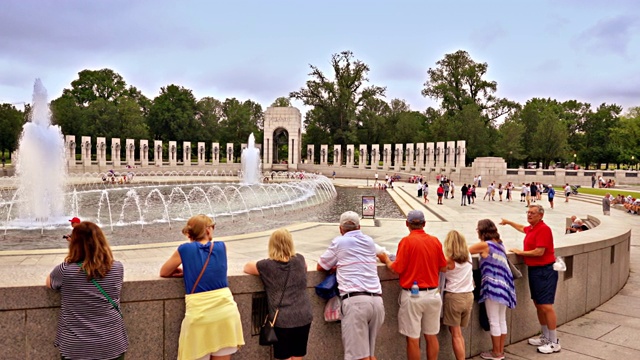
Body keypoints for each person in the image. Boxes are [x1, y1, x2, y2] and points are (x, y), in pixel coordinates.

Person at [160, 214, 244, 360]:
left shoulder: (184, 250)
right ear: (208, 230)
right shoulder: (221, 247)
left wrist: (185, 271)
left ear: (189, 233)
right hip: (226, 314)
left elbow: (164, 271)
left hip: (200, 317)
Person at [46, 221, 128, 360]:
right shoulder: (117, 268)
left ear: (74, 244)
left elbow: (50, 282)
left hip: (76, 347)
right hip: (111, 344)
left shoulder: (65, 270)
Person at [377, 210, 447, 360]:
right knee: (431, 336)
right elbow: (443, 266)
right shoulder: (435, 241)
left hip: (413, 296)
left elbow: (397, 269)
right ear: (424, 224)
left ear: (407, 223)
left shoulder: (406, 242)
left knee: (413, 339)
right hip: (433, 294)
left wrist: (387, 260)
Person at [317, 211, 384, 360]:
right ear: (359, 227)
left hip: (356, 304)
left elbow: (321, 266)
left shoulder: (339, 242)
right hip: (377, 303)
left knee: (358, 357)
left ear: (341, 229)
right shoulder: (369, 241)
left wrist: (338, 265)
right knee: (370, 355)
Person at [244, 229, 313, 360]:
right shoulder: (299, 259)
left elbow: (247, 267)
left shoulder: (267, 265)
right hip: (303, 316)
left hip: (282, 320)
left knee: (284, 357)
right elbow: (305, 268)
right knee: (298, 355)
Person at [501, 205, 561, 354]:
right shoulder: (533, 228)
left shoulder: (544, 229)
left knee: (546, 306)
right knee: (538, 305)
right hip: (534, 270)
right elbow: (522, 228)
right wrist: (508, 222)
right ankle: (545, 336)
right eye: (528, 212)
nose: (529, 215)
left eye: (533, 213)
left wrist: (520, 252)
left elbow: (539, 252)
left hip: (545, 271)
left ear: (541, 215)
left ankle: (554, 341)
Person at [469, 219, 516, 360]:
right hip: (506, 286)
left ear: (481, 231)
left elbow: (463, 251)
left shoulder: (485, 245)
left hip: (493, 287)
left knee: (494, 320)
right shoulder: (499, 244)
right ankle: (500, 351)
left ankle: (496, 353)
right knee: (502, 320)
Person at [442, 230, 474, 360]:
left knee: (456, 334)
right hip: (468, 296)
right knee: (458, 333)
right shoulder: (469, 257)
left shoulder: (448, 261)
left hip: (454, 297)